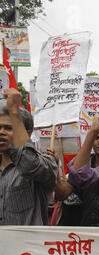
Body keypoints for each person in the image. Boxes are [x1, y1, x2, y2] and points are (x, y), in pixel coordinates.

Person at [0, 88, 58, 225]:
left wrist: (14, 112)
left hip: (25, 246)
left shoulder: (46, 163)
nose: (1, 132)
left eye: (9, 128)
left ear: (28, 133)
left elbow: (29, 166)